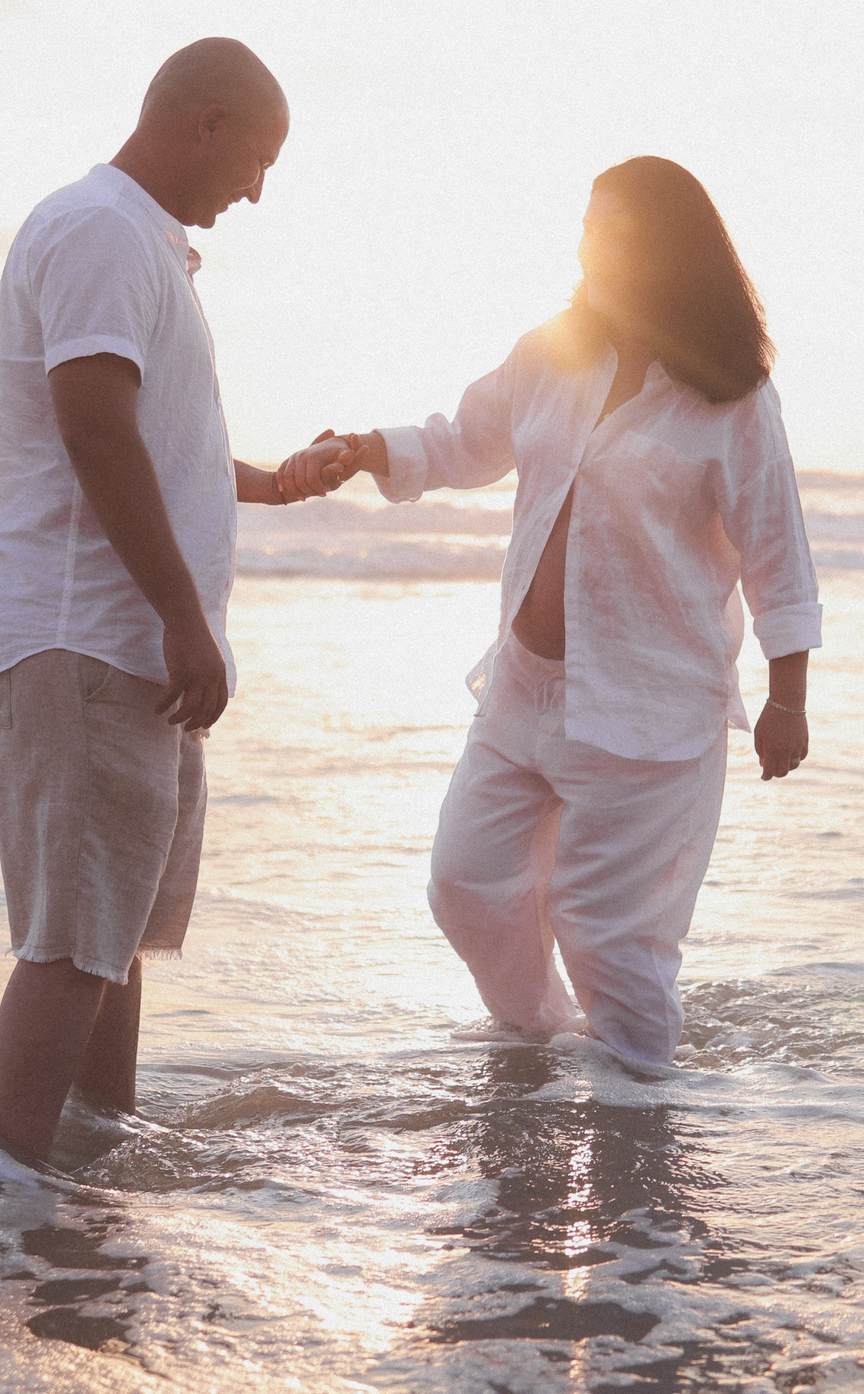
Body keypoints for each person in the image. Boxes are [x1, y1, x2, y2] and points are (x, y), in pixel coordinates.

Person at [293, 156, 820, 1073]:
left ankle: (642, 1157)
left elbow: (778, 547)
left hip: (649, 710)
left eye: (611, 228)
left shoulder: (730, 397)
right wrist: (372, 447)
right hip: (522, 692)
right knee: (465, 882)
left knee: (615, 943)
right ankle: (542, 1045)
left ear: (664, 251)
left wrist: (788, 695)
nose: (588, 245)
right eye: (585, 224)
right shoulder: (554, 351)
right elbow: (464, 442)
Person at [0, 38, 344, 1170]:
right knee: (74, 939)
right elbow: (93, 427)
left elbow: (152, 438)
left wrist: (266, 481)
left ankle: (92, 1174)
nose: (256, 190)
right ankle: (15, 1202)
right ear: (203, 123)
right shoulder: (102, 231)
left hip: (122, 647)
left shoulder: (142, 247)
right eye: (256, 158)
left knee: (108, 941)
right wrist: (179, 614)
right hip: (83, 638)